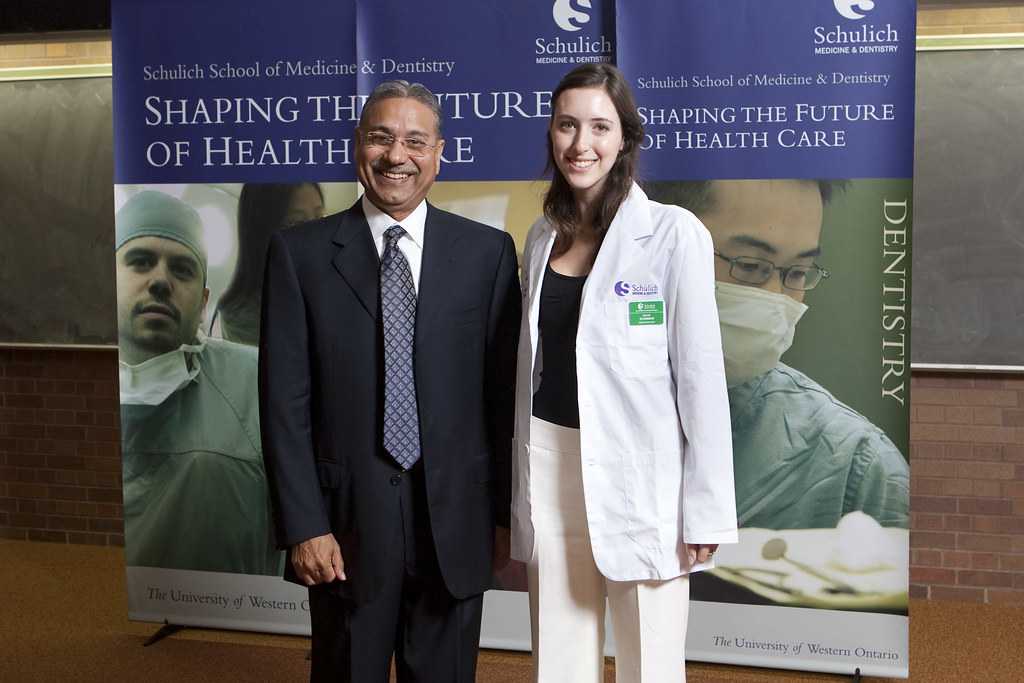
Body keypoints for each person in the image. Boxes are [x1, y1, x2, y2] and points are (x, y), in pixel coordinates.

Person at [258, 80, 520, 682]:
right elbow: (283, 404)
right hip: (344, 526)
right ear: (358, 145)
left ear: (439, 152)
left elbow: (502, 400)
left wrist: (504, 518)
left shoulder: (488, 254)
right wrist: (305, 525)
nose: (396, 155)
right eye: (380, 137)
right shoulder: (298, 255)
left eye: (414, 140)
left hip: (455, 522)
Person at [511, 64, 737, 682]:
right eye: (567, 125)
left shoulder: (672, 234)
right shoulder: (540, 238)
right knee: (557, 659)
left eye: (599, 127)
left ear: (624, 139)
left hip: (643, 476)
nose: (581, 144)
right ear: (552, 136)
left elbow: (700, 378)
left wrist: (707, 508)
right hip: (550, 463)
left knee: (650, 664)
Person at [644, 179, 910, 530]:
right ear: (657, 246)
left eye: (797, 272)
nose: (775, 298)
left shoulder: (856, 467)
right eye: (750, 265)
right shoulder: (570, 399)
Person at [116, 189, 283, 575]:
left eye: (182, 269)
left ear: (204, 301)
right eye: (140, 262)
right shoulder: (76, 391)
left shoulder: (256, 384)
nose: (160, 280)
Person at [211, 182, 325, 346]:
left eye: (320, 218)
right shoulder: (243, 312)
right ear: (261, 232)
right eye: (296, 223)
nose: (317, 235)